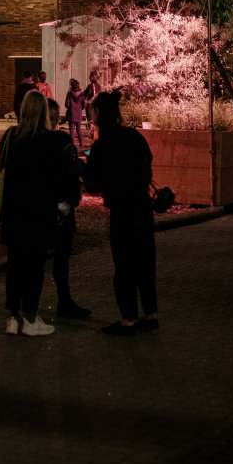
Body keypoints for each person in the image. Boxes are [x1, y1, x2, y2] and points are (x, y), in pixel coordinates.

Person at [0, 92, 77, 337]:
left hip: (13, 210)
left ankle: (13, 317)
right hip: (39, 210)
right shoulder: (53, 140)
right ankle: (30, 316)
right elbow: (64, 175)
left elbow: (1, 167)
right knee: (34, 265)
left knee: (15, 264)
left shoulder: (12, 136)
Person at [83, 90, 158, 336]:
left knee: (124, 266)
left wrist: (83, 168)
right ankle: (150, 314)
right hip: (142, 207)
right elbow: (147, 164)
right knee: (145, 264)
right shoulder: (134, 136)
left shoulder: (102, 145)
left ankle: (128, 320)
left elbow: (93, 183)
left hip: (122, 210)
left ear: (98, 113)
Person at [47, 97, 90, 318]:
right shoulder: (61, 140)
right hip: (61, 206)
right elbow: (71, 169)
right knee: (61, 257)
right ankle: (64, 300)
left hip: (38, 206)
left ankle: (23, 310)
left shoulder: (26, 140)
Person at [63, 78, 89, 147]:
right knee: (79, 129)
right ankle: (81, 144)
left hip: (71, 114)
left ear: (72, 86)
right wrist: (80, 109)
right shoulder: (81, 94)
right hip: (78, 115)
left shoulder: (69, 94)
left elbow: (67, 105)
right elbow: (84, 105)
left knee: (71, 130)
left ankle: (72, 145)